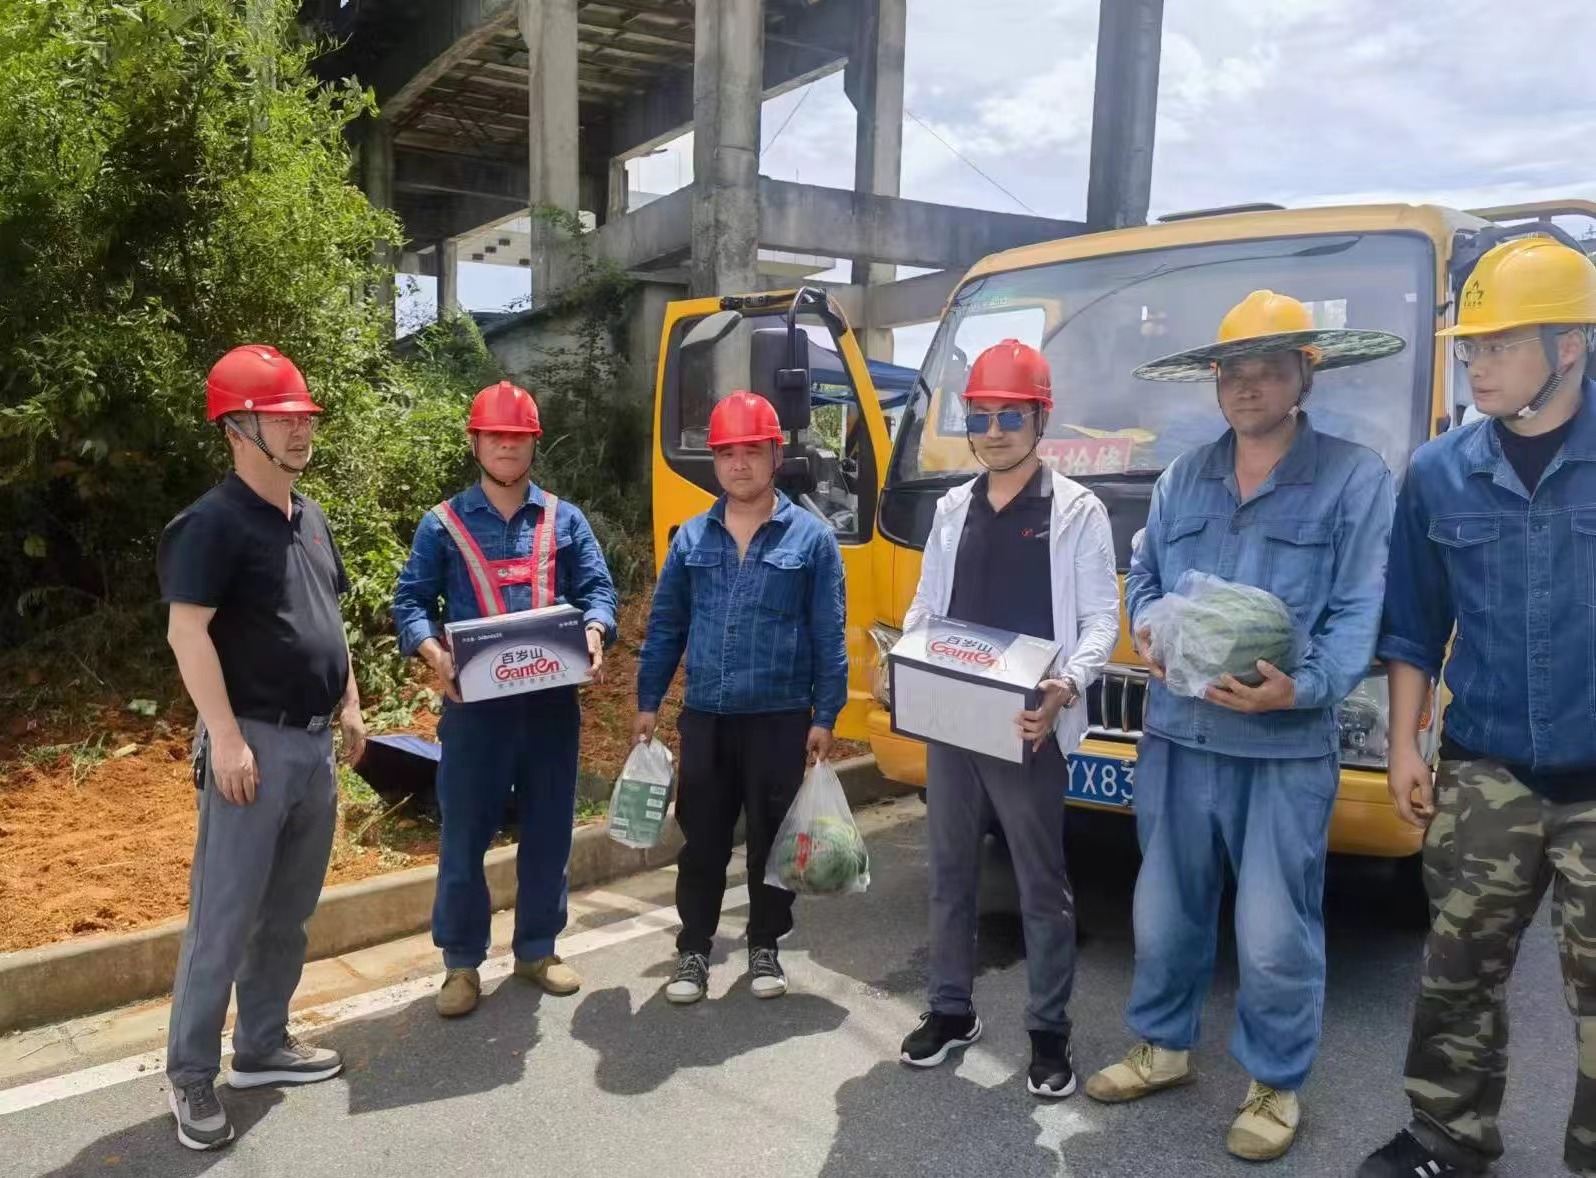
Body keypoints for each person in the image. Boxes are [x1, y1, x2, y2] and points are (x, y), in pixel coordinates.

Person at [1086, 292, 1401, 1162]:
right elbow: (1147, 576)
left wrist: (1303, 688)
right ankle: (1163, 1047)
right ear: (1215, 381)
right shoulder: (1184, 477)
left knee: (1273, 932)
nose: (1248, 385)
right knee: (1164, 912)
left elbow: (1358, 606)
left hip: (1283, 746)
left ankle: (1274, 1082)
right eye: (1233, 371)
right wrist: (1149, 632)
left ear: (1306, 374)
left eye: (1269, 368)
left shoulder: (1355, 478)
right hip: (1178, 737)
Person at [1359, 236, 1596, 1178]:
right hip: (1486, 771)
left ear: (1569, 346)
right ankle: (1446, 1139)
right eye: (1471, 347)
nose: (1477, 365)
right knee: (1457, 972)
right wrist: (1405, 745)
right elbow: (1414, 625)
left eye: (1499, 345)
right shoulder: (1438, 473)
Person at [895, 339, 1120, 1101]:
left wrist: (1068, 685)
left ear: (1040, 418)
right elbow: (926, 606)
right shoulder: (952, 508)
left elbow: (1101, 618)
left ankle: (1049, 1032)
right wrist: (905, 657)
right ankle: (949, 1009)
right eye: (980, 416)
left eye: (1010, 415)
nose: (993, 431)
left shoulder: (1075, 510)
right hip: (955, 717)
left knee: (1040, 882)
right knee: (950, 871)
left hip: (1029, 724)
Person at [158, 345, 365, 1151]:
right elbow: (188, 634)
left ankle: (262, 1045)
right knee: (224, 914)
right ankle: (190, 1074)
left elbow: (329, 616)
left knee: (288, 911)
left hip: (313, 746)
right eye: (281, 418)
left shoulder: (308, 517)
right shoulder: (210, 524)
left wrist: (351, 703)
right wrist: (226, 737)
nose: (299, 430)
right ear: (236, 428)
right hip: (252, 745)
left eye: (303, 417)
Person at [392, 381, 618, 1018]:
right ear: (475, 442)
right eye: (495, 435)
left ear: (533, 444)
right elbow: (410, 602)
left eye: (518, 435)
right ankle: (461, 965)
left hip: (550, 708)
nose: (507, 445)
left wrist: (595, 631)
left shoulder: (564, 520)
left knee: (549, 830)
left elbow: (599, 592)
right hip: (475, 713)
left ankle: (538, 949)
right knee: (465, 837)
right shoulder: (442, 525)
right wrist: (434, 654)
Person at [632, 390, 847, 1005]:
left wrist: (826, 714)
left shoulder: (812, 540)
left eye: (752, 451)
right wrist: (648, 701)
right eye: (727, 453)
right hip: (707, 716)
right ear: (715, 462)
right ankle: (694, 950)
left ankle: (764, 944)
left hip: (780, 716)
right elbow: (666, 625)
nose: (739, 464)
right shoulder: (691, 538)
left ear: (776, 455)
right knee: (702, 839)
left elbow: (828, 633)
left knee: (771, 840)